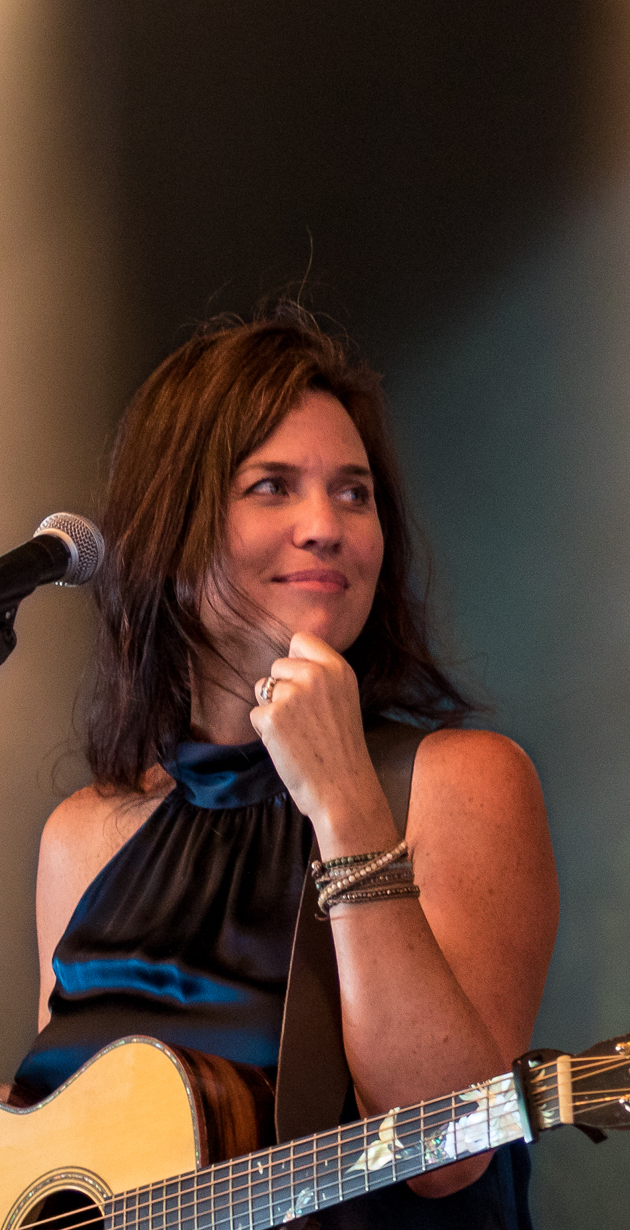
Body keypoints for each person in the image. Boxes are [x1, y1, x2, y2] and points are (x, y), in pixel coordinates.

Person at [6, 310, 559, 1228]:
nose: (326, 526)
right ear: (169, 529)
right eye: (272, 487)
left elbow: (448, 1155)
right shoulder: (85, 834)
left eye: (355, 493)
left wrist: (344, 801)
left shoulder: (463, 782)